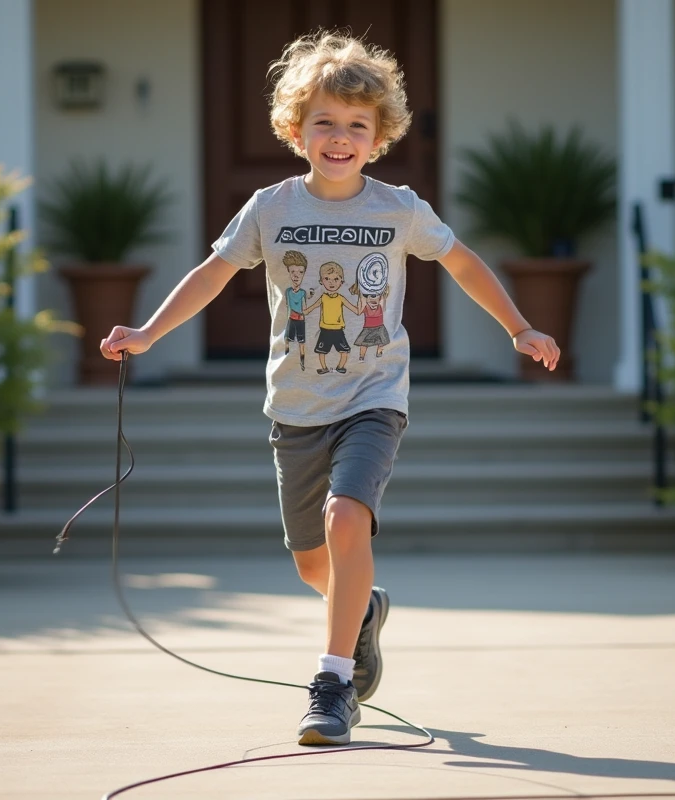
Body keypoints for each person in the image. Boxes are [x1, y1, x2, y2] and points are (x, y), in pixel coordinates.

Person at [100, 30, 560, 747]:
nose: (340, 137)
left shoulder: (398, 208)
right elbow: (214, 273)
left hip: (374, 398)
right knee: (313, 562)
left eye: (356, 125)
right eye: (324, 122)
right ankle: (363, 607)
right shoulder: (270, 207)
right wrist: (150, 332)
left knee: (348, 519)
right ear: (295, 130)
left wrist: (519, 326)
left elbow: (463, 262)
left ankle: (334, 682)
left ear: (379, 137)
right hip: (295, 407)